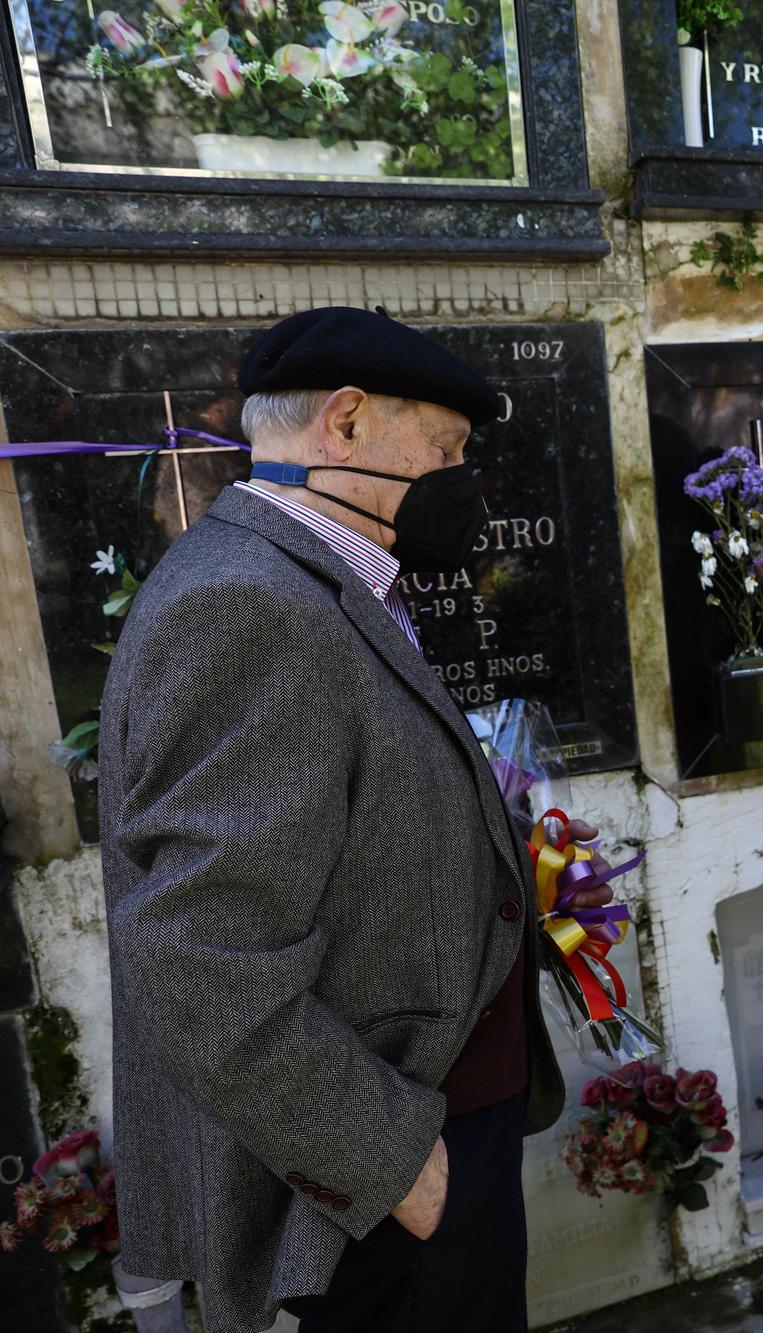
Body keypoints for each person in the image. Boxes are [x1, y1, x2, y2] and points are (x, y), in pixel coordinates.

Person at [98, 307, 593, 1333]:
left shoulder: (311, 578)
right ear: (348, 423)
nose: (464, 477)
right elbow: (200, 949)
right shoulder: (251, 602)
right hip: (376, 1187)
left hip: (421, 1141)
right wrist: (394, 1165)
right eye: (447, 447)